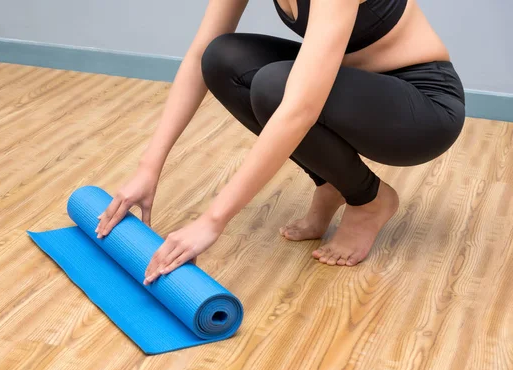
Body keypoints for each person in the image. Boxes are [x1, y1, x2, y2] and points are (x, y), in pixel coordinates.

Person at [95, 0, 466, 284]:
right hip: (344, 87)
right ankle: (332, 182)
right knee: (222, 58)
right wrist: (149, 168)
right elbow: (198, 57)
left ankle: (369, 200)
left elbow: (300, 109)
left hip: (422, 108)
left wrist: (212, 220)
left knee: (277, 87)